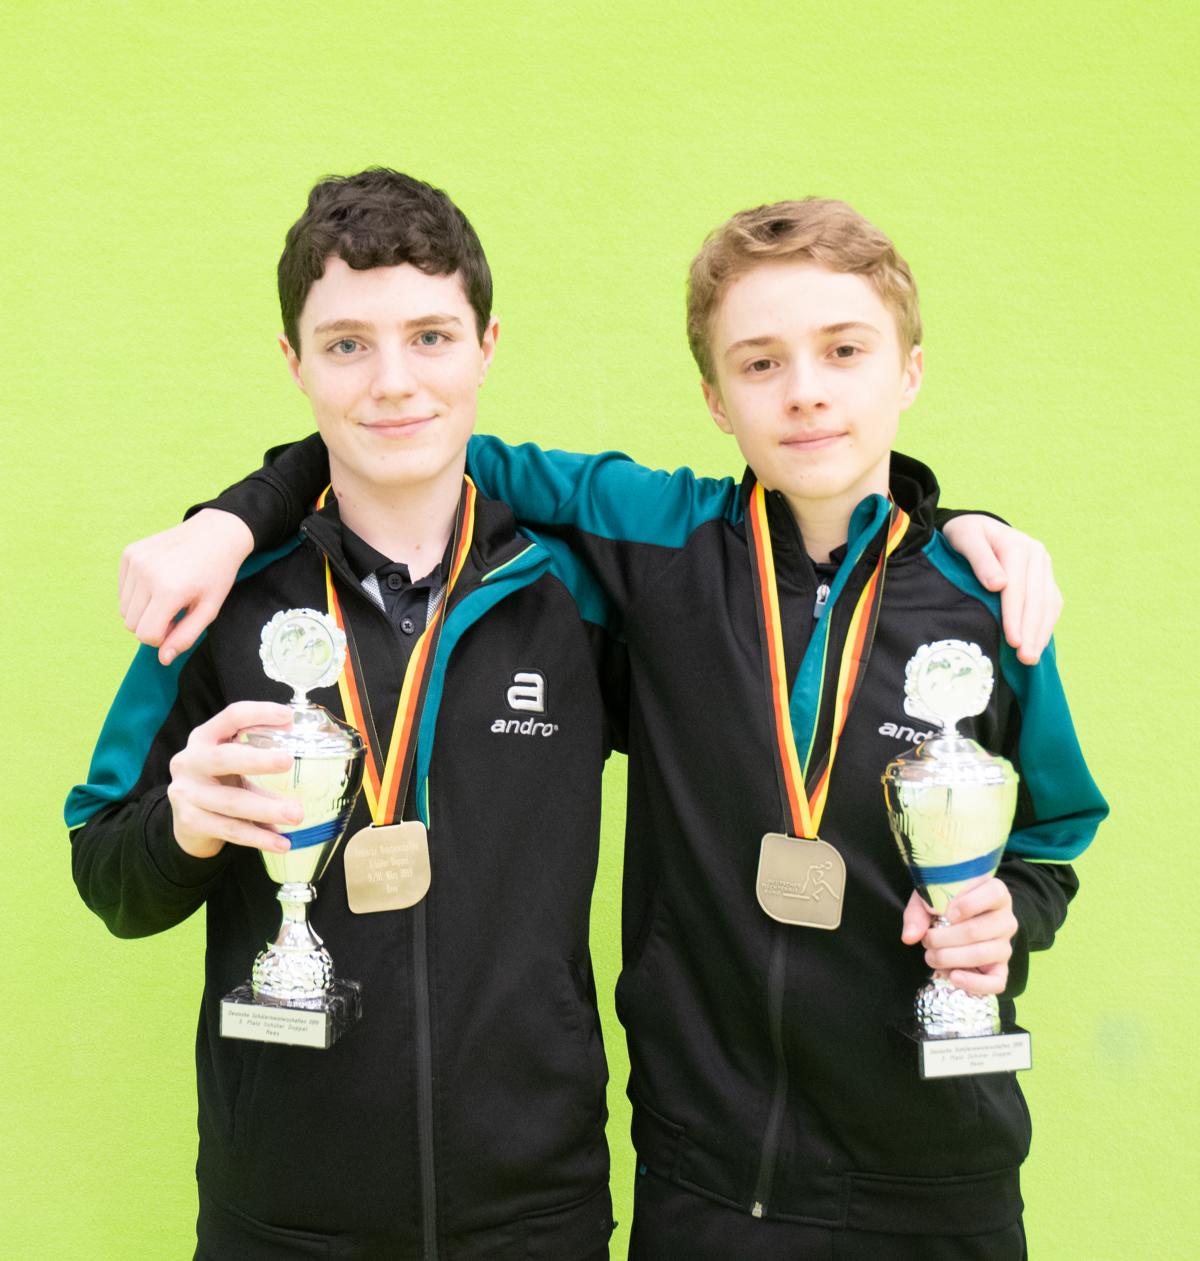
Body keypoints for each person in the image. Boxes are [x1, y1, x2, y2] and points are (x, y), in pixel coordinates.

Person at [112, 197, 1101, 1258]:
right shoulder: (658, 548)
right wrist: (234, 519)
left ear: (909, 370)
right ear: (715, 398)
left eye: (845, 351)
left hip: (934, 1176)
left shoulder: (985, 602)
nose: (807, 390)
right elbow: (411, 439)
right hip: (700, 1186)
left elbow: (1050, 839)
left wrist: (1009, 912)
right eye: (760, 363)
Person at [67, 169, 627, 1260]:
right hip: (281, 1217)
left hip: (535, 1206)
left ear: (486, 346)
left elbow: (777, 627)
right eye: (347, 345)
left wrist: (949, 523)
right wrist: (184, 827)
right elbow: (106, 870)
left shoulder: (580, 593)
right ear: (295, 363)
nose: (393, 382)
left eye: (430, 337)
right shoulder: (221, 594)